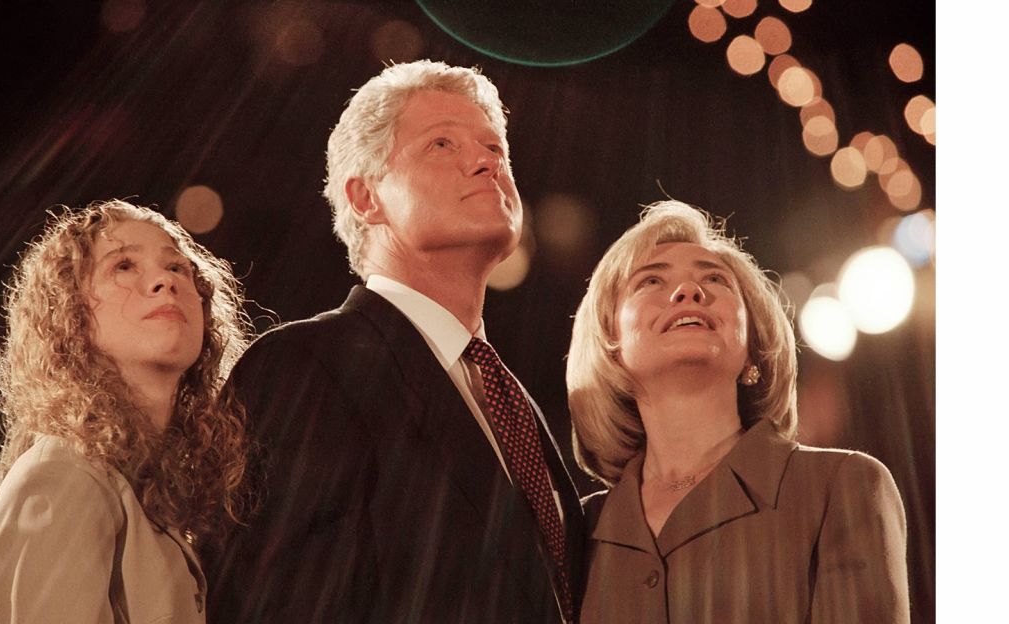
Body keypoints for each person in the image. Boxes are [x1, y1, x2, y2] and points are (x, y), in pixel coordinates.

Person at [206, 60, 584, 623]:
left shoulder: (512, 401)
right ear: (365, 198)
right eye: (441, 144)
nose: (486, 162)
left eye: (495, 149)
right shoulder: (304, 368)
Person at [567, 200, 909, 623]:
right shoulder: (577, 530)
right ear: (610, 347)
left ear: (753, 348)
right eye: (650, 280)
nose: (689, 292)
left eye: (715, 279)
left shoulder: (841, 487)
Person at [0, 200, 253, 624]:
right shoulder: (63, 477)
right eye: (123, 266)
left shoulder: (152, 490)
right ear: (69, 313)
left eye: (178, 268)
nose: (163, 280)